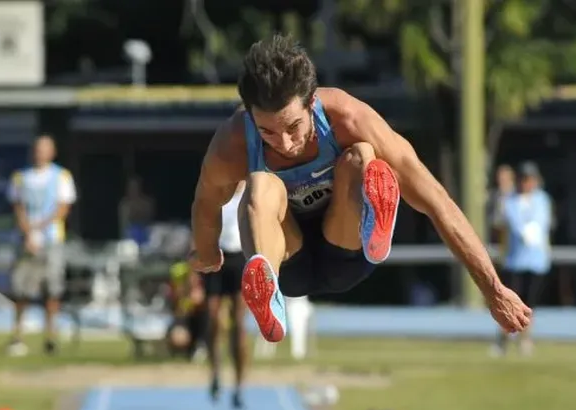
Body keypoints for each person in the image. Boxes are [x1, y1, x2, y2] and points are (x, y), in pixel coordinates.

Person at [188, 34, 530, 342]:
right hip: (289, 258)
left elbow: (436, 201)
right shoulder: (233, 142)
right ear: (250, 117)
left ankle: (375, 222)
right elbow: (207, 202)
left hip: (345, 248)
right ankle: (269, 291)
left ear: (311, 104)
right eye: (268, 133)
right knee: (261, 184)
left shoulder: (349, 118)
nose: (285, 144)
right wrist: (206, 252)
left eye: (293, 127)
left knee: (363, 156)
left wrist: (494, 289)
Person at [7, 135, 76, 357]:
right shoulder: (21, 177)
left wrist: (41, 227)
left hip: (52, 240)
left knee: (52, 290)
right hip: (28, 241)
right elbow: (17, 207)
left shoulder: (62, 176)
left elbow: (63, 208)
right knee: (21, 289)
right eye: (38, 149)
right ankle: (18, 336)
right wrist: (28, 232)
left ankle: (50, 336)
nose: (40, 153)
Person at [491, 161, 552, 357]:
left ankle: (525, 340)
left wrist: (532, 231)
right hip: (514, 261)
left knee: (529, 304)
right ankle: (504, 340)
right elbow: (514, 224)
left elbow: (541, 222)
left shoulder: (542, 200)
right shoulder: (510, 201)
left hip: (535, 262)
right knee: (509, 303)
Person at [202, 180, 248, 409]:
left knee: (238, 324)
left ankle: (239, 386)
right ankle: (215, 374)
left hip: (240, 257)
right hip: (216, 257)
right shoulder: (217, 187)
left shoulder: (250, 190)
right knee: (213, 320)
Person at [166, 260, 208, 361]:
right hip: (184, 318)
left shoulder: (206, 280)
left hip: (200, 319)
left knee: (204, 318)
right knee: (178, 336)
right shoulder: (179, 276)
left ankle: (201, 345)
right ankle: (184, 351)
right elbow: (176, 307)